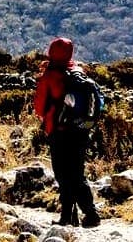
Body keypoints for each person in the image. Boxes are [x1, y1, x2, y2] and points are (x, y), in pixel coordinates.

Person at [34, 37, 101, 227]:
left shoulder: (50, 75)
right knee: (77, 174)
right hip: (80, 130)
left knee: (63, 175)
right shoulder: (78, 71)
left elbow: (39, 107)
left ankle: (67, 216)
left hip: (59, 131)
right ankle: (90, 214)